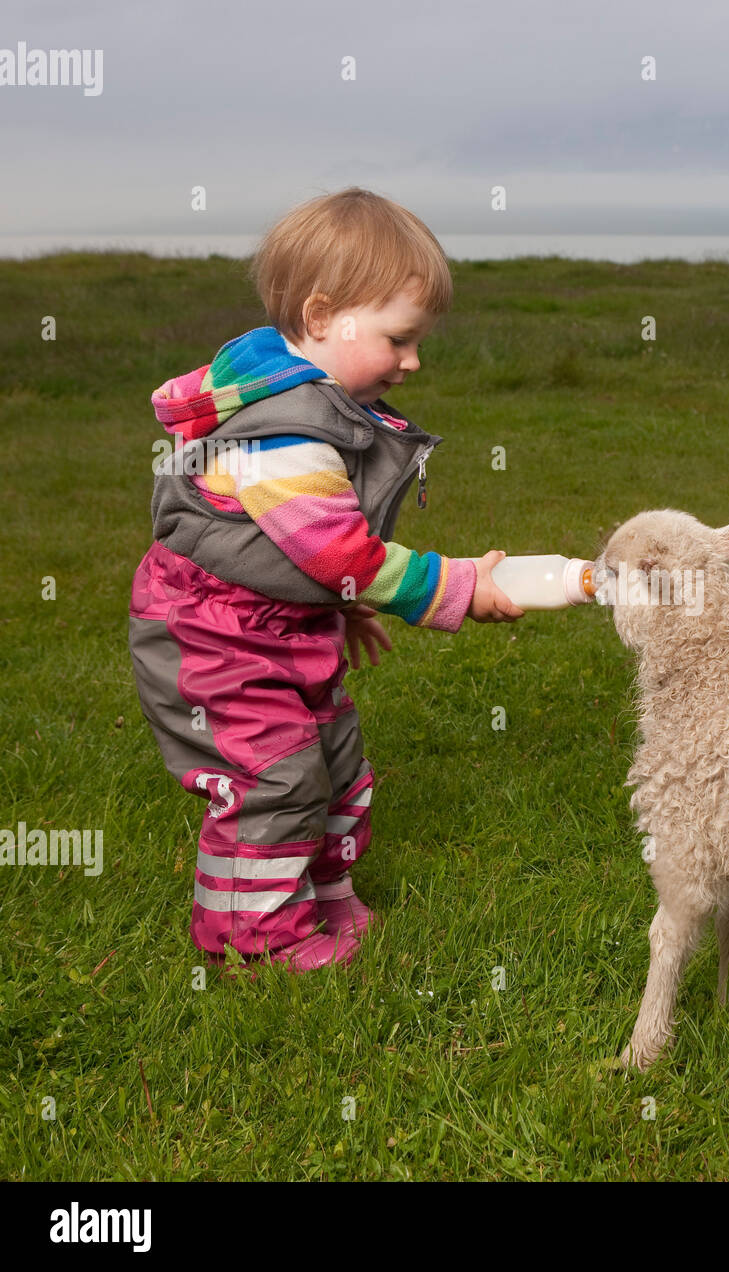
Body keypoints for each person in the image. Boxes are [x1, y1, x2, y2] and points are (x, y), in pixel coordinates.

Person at [128, 187, 524, 973]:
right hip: (215, 641)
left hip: (277, 627)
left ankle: (321, 890)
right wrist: (457, 587)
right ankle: (255, 938)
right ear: (321, 315)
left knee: (336, 759)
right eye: (398, 339)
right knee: (273, 776)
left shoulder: (317, 407)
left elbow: (293, 556)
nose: (413, 362)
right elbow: (338, 555)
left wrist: (338, 613)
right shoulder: (286, 434)